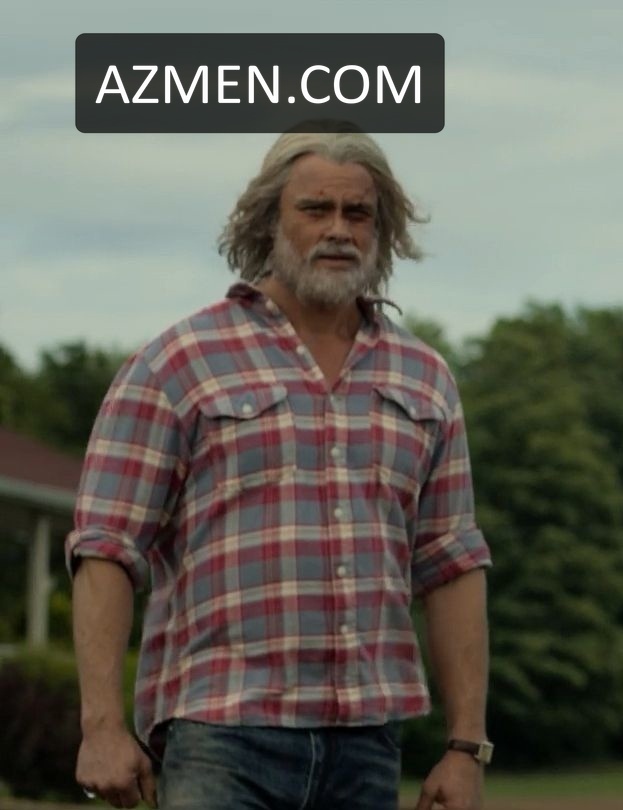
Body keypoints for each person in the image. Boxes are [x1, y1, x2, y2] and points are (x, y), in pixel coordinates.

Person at [66, 122, 494, 810]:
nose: (339, 229)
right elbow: (106, 547)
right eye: (315, 209)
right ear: (270, 220)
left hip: (368, 744)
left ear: (382, 229)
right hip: (219, 736)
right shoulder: (179, 362)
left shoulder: (425, 378)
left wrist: (466, 746)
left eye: (358, 213)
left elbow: (451, 562)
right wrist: (101, 726)